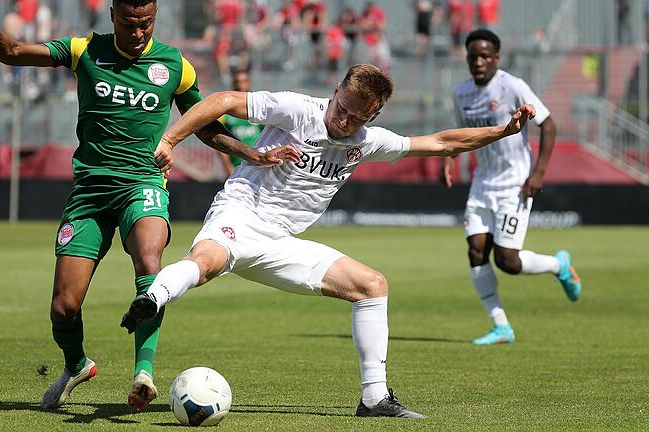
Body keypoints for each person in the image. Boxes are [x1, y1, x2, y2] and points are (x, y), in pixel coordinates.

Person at [119, 64, 537, 418]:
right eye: (342, 109)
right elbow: (224, 100)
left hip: (282, 242)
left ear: (372, 115)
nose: (343, 122)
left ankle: (374, 399)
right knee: (206, 260)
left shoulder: (365, 142)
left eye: (357, 118)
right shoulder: (298, 109)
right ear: (335, 92)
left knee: (372, 287)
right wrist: (171, 139)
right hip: (240, 215)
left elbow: (443, 143)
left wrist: (503, 130)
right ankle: (153, 299)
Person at [0, 0, 299, 411]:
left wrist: (251, 153)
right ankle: (77, 365)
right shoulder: (84, 50)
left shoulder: (175, 65)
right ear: (112, 15)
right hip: (89, 192)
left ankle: (144, 372)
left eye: (146, 24)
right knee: (63, 306)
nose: (139, 33)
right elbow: (12, 52)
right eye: (129, 24)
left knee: (149, 260)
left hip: (143, 183)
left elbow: (206, 126)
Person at [441, 29, 582, 346]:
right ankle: (501, 327)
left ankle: (558, 265)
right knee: (476, 250)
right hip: (483, 182)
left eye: (485, 56)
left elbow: (548, 124)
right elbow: (462, 134)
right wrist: (448, 158)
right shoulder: (461, 93)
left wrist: (538, 173)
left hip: (515, 183)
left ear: (496, 58)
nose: (478, 62)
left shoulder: (512, 86)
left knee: (508, 262)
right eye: (473, 56)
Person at [218, 70, 265, 176]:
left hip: (258, 166)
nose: (240, 85)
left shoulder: (260, 110)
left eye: (244, 81)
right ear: (233, 84)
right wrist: (228, 167)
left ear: (249, 83)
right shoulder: (225, 113)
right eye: (237, 81)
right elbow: (220, 143)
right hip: (237, 168)